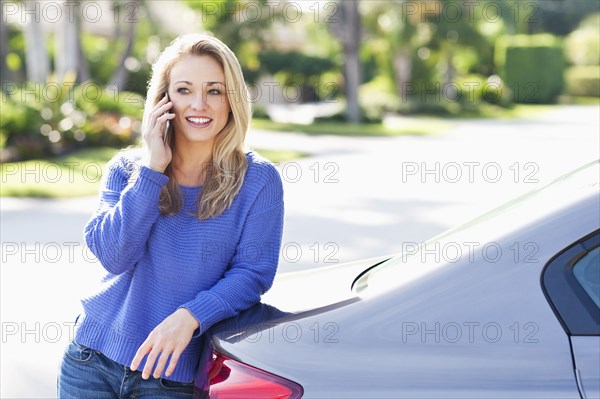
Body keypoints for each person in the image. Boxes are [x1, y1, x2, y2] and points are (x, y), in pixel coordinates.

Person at [57, 33, 285, 398]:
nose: (200, 104)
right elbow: (114, 257)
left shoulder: (259, 180)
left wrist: (189, 317)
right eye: (183, 90)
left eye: (214, 91)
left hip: (170, 379)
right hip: (91, 363)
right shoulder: (128, 169)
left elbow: (252, 273)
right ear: (163, 101)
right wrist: (153, 169)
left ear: (232, 101)